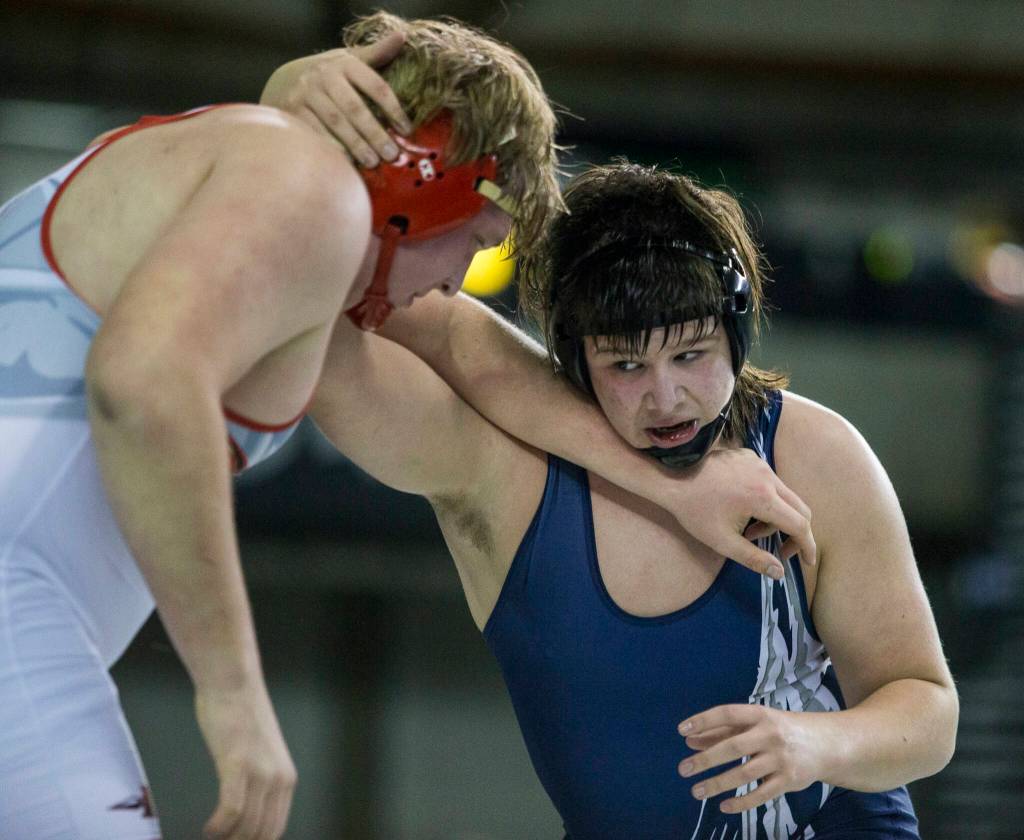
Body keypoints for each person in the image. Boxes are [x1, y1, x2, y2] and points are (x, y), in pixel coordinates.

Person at [0, 12, 564, 839]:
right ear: (421, 184)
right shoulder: (310, 189)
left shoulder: (210, 171)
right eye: (475, 245)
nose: (455, 285)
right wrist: (234, 699)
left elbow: (470, 387)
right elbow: (145, 382)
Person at [307, 161, 958, 838]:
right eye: (625, 365)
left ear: (736, 332)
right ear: (573, 361)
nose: (666, 397)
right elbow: (331, 329)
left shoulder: (813, 457)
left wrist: (817, 743)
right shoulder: (513, 482)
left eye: (692, 354)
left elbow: (930, 713)